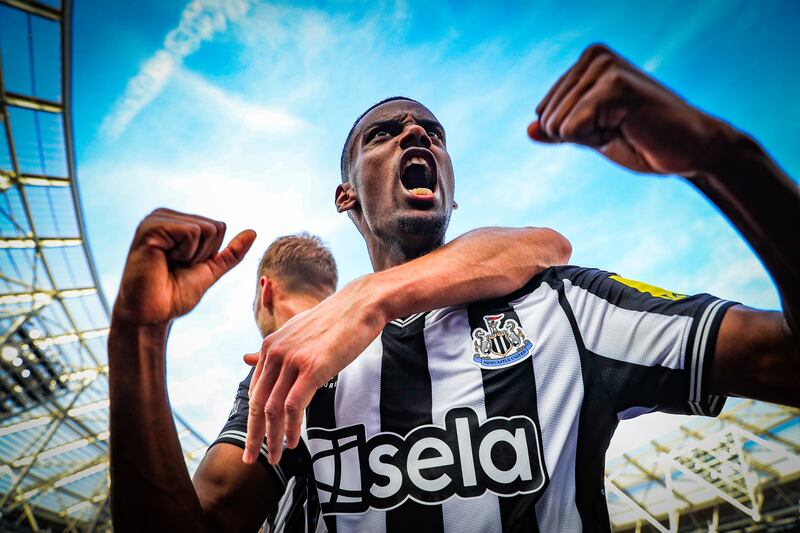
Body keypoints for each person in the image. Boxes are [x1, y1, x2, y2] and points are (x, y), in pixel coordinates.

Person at [240, 44, 800, 532]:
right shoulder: (298, 358)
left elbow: (787, 359)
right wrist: (148, 335)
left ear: (451, 193)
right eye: (382, 134)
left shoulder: (566, 308)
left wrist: (726, 159)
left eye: (433, 133)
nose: (417, 134)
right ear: (346, 196)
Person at [108, 213, 570, 532]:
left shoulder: (278, 374)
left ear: (265, 292)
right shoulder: (447, 320)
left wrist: (138, 335)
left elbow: (205, 520)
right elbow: (546, 243)